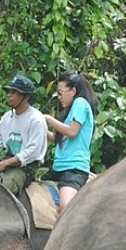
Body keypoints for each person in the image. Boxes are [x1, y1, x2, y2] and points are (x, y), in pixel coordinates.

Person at [0, 73, 48, 194]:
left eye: (14, 92)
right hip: (7, 161)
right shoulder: (7, 117)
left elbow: (33, 152)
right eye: (8, 92)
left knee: (4, 188)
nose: (9, 95)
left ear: (26, 97)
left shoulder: (36, 119)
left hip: (25, 168)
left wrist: (4, 164)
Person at [42, 70, 97, 211]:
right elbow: (59, 139)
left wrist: (48, 119)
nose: (59, 97)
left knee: (66, 207)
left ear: (72, 91)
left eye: (61, 93)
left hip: (74, 169)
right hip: (58, 168)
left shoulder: (80, 103)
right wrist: (41, 129)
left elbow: (72, 132)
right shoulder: (69, 111)